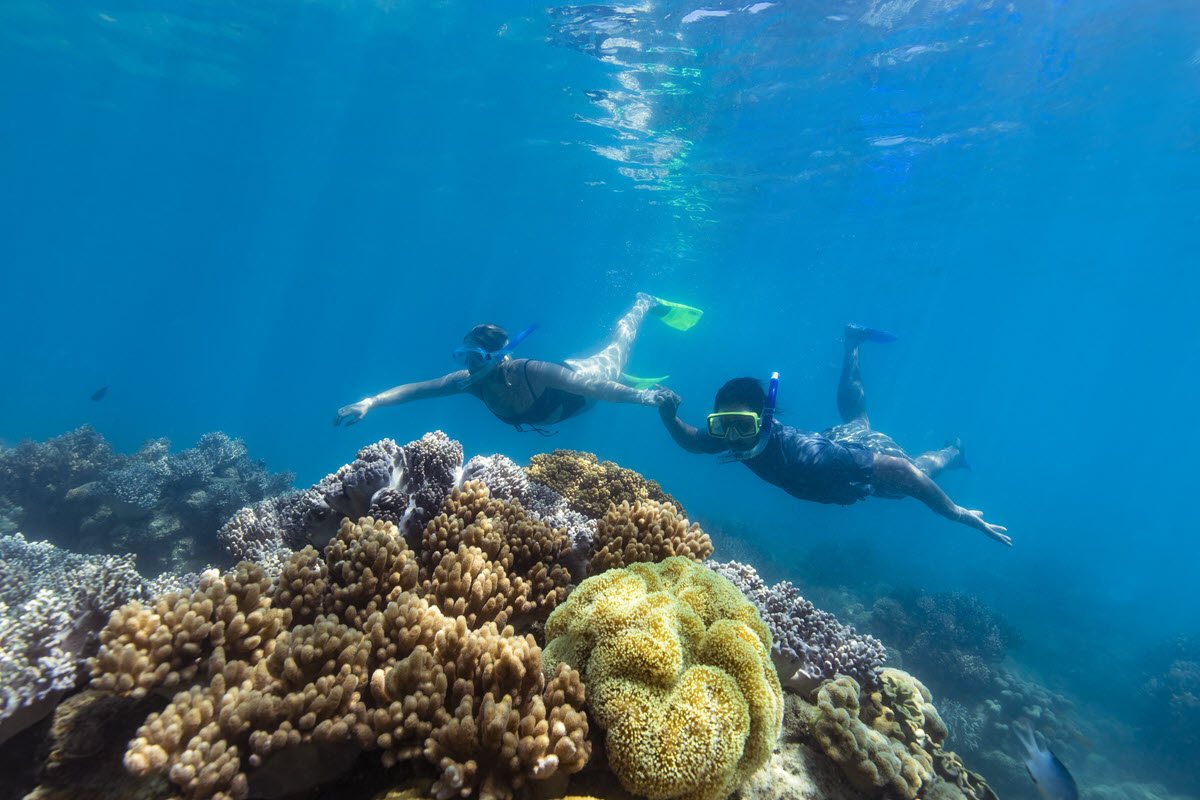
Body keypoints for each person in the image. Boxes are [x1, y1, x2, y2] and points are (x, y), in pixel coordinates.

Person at [655, 324, 1010, 545]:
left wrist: (954, 512)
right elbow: (693, 441)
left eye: (743, 425)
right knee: (856, 418)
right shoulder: (733, 434)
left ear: (763, 421)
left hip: (848, 458)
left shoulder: (807, 457)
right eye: (723, 424)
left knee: (913, 475)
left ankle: (953, 451)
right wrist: (669, 417)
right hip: (837, 442)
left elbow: (902, 471)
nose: (731, 436)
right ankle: (852, 342)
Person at [334, 293, 702, 433]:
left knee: (620, 343)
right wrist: (370, 402)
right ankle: (626, 372)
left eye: (475, 357)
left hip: (585, 382)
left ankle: (644, 303)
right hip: (569, 390)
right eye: (463, 356)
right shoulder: (472, 383)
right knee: (606, 364)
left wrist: (644, 398)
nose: (468, 366)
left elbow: (596, 389)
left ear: (497, 357)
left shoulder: (530, 371)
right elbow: (417, 390)